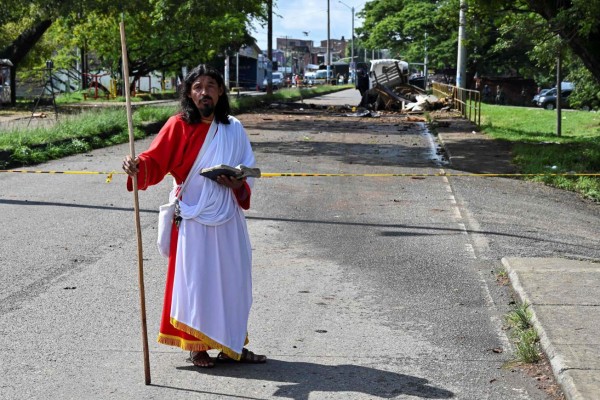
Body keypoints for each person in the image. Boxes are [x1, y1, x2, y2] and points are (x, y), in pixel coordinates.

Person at [122, 64, 266, 368]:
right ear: (189, 92)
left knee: (234, 282)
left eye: (211, 86)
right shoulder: (178, 125)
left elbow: (248, 167)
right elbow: (155, 160)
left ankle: (233, 346)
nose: (204, 92)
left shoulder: (234, 128)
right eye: (198, 87)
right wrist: (138, 166)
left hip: (228, 216)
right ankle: (197, 347)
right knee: (198, 283)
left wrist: (239, 182)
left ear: (221, 91)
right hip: (195, 218)